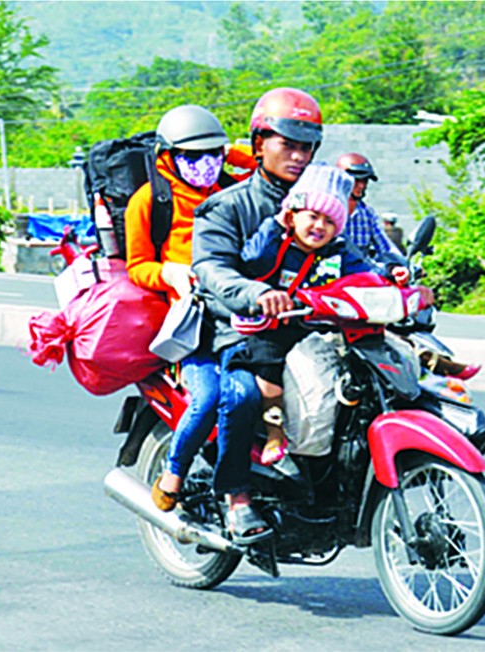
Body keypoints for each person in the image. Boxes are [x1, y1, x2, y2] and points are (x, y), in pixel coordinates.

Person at [192, 87, 329, 543]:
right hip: (239, 328)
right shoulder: (228, 205)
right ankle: (238, 498)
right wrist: (256, 294)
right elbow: (210, 267)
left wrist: (395, 280)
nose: (298, 155)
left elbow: (357, 253)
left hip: (309, 326)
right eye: (287, 144)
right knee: (244, 395)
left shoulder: (324, 204)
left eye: (306, 146)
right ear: (258, 145)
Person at [123, 104, 235, 512]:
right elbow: (138, 267)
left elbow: (256, 160)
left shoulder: (230, 191)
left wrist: (226, 151)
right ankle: (174, 472)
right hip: (195, 326)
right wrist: (168, 273)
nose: (205, 164)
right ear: (167, 155)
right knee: (210, 397)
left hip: (241, 315)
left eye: (213, 155)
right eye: (192, 156)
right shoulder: (151, 200)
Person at [230, 163, 378, 465]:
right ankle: (275, 431)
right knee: (267, 369)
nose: (319, 226)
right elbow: (252, 261)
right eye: (312, 216)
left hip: (320, 329)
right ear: (292, 215)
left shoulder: (338, 252)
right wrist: (274, 225)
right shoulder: (277, 244)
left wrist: (393, 277)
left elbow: (368, 274)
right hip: (276, 327)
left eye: (329, 221)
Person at [335, 152, 408, 271]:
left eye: (365, 181)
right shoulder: (328, 213)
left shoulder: (367, 214)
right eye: (356, 180)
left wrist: (401, 265)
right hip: (329, 278)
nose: (361, 186)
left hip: (361, 277)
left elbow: (386, 247)